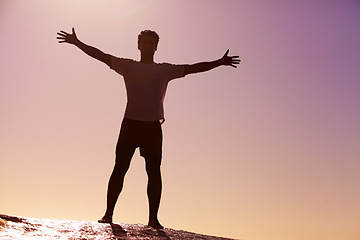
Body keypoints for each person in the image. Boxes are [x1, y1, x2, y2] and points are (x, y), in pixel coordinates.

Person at [57, 28, 240, 229]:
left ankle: (153, 219)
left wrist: (219, 62)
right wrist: (77, 42)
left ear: (155, 47)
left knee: (154, 172)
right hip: (130, 124)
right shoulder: (127, 66)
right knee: (120, 168)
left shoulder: (164, 70)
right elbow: (101, 56)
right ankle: (108, 214)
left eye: (150, 43)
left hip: (152, 127)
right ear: (138, 45)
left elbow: (194, 68)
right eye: (144, 42)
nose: (147, 45)